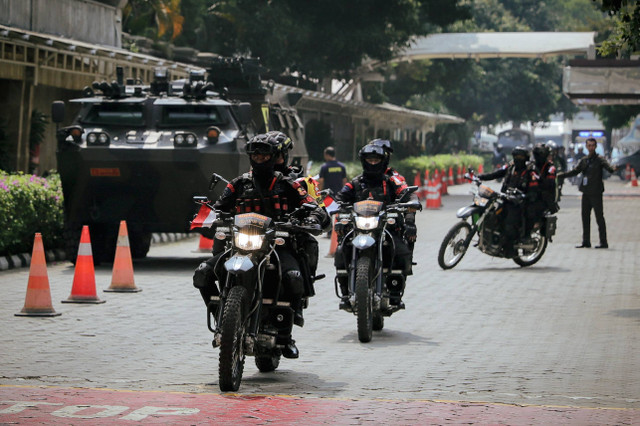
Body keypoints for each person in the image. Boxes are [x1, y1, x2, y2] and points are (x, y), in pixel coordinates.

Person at [193, 132, 329, 358]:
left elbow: (315, 207)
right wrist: (207, 218)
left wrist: (312, 218)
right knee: (202, 274)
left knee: (294, 278)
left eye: (264, 156)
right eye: (255, 156)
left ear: (276, 156)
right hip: (240, 245)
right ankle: (223, 319)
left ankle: (286, 332)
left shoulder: (290, 184)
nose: (259, 159)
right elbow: (220, 206)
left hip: (278, 246)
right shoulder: (239, 183)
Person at [333, 140, 418, 306]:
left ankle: (395, 291)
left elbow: (409, 196)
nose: (372, 163)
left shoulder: (392, 181)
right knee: (341, 251)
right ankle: (345, 292)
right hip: (359, 228)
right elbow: (339, 198)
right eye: (369, 160)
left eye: (376, 160)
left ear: (383, 161)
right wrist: (338, 212)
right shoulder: (355, 182)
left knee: (401, 251)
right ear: (363, 161)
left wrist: (410, 214)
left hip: (386, 228)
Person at [477, 146, 540, 257]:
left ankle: (511, 250)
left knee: (509, 225)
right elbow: (496, 174)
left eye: (520, 156)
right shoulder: (511, 167)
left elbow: (534, 190)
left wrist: (524, 196)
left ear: (525, 158)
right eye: (516, 156)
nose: (517, 159)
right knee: (491, 216)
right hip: (505, 199)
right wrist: (479, 177)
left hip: (519, 204)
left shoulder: (530, 171)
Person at [557, 137, 618, 249]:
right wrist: (561, 175)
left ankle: (603, 242)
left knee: (599, 217)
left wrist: (614, 168)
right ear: (586, 146)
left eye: (592, 145)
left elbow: (609, 168)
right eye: (589, 145)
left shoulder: (600, 159)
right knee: (585, 217)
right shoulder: (584, 160)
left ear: (595, 146)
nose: (591, 147)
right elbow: (575, 171)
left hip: (596, 192)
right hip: (586, 192)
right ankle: (586, 241)